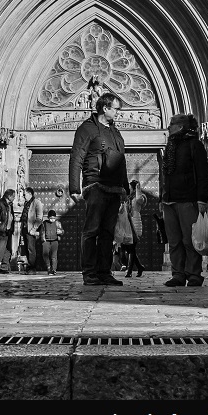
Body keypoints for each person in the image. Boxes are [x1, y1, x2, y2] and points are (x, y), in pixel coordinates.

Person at [69, 91, 129, 286]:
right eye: (116, 109)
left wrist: (126, 188)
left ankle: (104, 272)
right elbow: (77, 156)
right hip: (95, 184)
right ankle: (89, 273)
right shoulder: (87, 129)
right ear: (105, 108)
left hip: (114, 188)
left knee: (107, 233)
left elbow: (121, 161)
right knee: (91, 230)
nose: (119, 113)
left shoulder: (115, 132)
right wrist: (74, 187)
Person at [160, 114, 208, 287]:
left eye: (171, 124)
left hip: (187, 199)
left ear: (180, 127)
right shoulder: (170, 146)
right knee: (174, 241)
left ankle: (194, 273)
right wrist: (163, 197)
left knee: (190, 240)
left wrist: (202, 199)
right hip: (169, 201)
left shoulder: (194, 145)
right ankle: (178, 274)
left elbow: (203, 174)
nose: (168, 127)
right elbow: (166, 175)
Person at [121, 180, 146, 277]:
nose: (129, 189)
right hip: (128, 224)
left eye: (131, 188)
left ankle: (129, 271)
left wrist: (138, 188)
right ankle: (139, 267)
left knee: (131, 248)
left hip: (136, 224)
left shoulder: (140, 198)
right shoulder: (128, 198)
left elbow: (139, 198)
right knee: (128, 248)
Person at [0, 188, 17, 273]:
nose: (14, 198)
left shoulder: (10, 204)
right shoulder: (0, 203)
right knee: (0, 249)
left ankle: (4, 267)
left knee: (8, 250)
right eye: (13, 196)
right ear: (9, 196)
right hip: (1, 230)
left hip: (8, 230)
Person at [20, 187, 44, 272]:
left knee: (31, 249)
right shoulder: (26, 203)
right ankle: (29, 266)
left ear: (30, 194)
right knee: (26, 248)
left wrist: (34, 229)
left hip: (31, 230)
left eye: (24, 195)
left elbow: (39, 218)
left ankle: (32, 267)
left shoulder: (37, 203)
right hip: (25, 229)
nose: (23, 196)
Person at [38, 209, 63, 274]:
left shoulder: (57, 223)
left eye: (53, 218)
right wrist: (43, 239)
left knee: (54, 256)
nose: (52, 219)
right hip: (46, 241)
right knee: (45, 255)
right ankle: (48, 267)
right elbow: (41, 231)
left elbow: (62, 231)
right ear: (48, 217)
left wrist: (60, 232)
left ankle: (54, 269)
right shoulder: (44, 223)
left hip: (55, 241)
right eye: (51, 218)